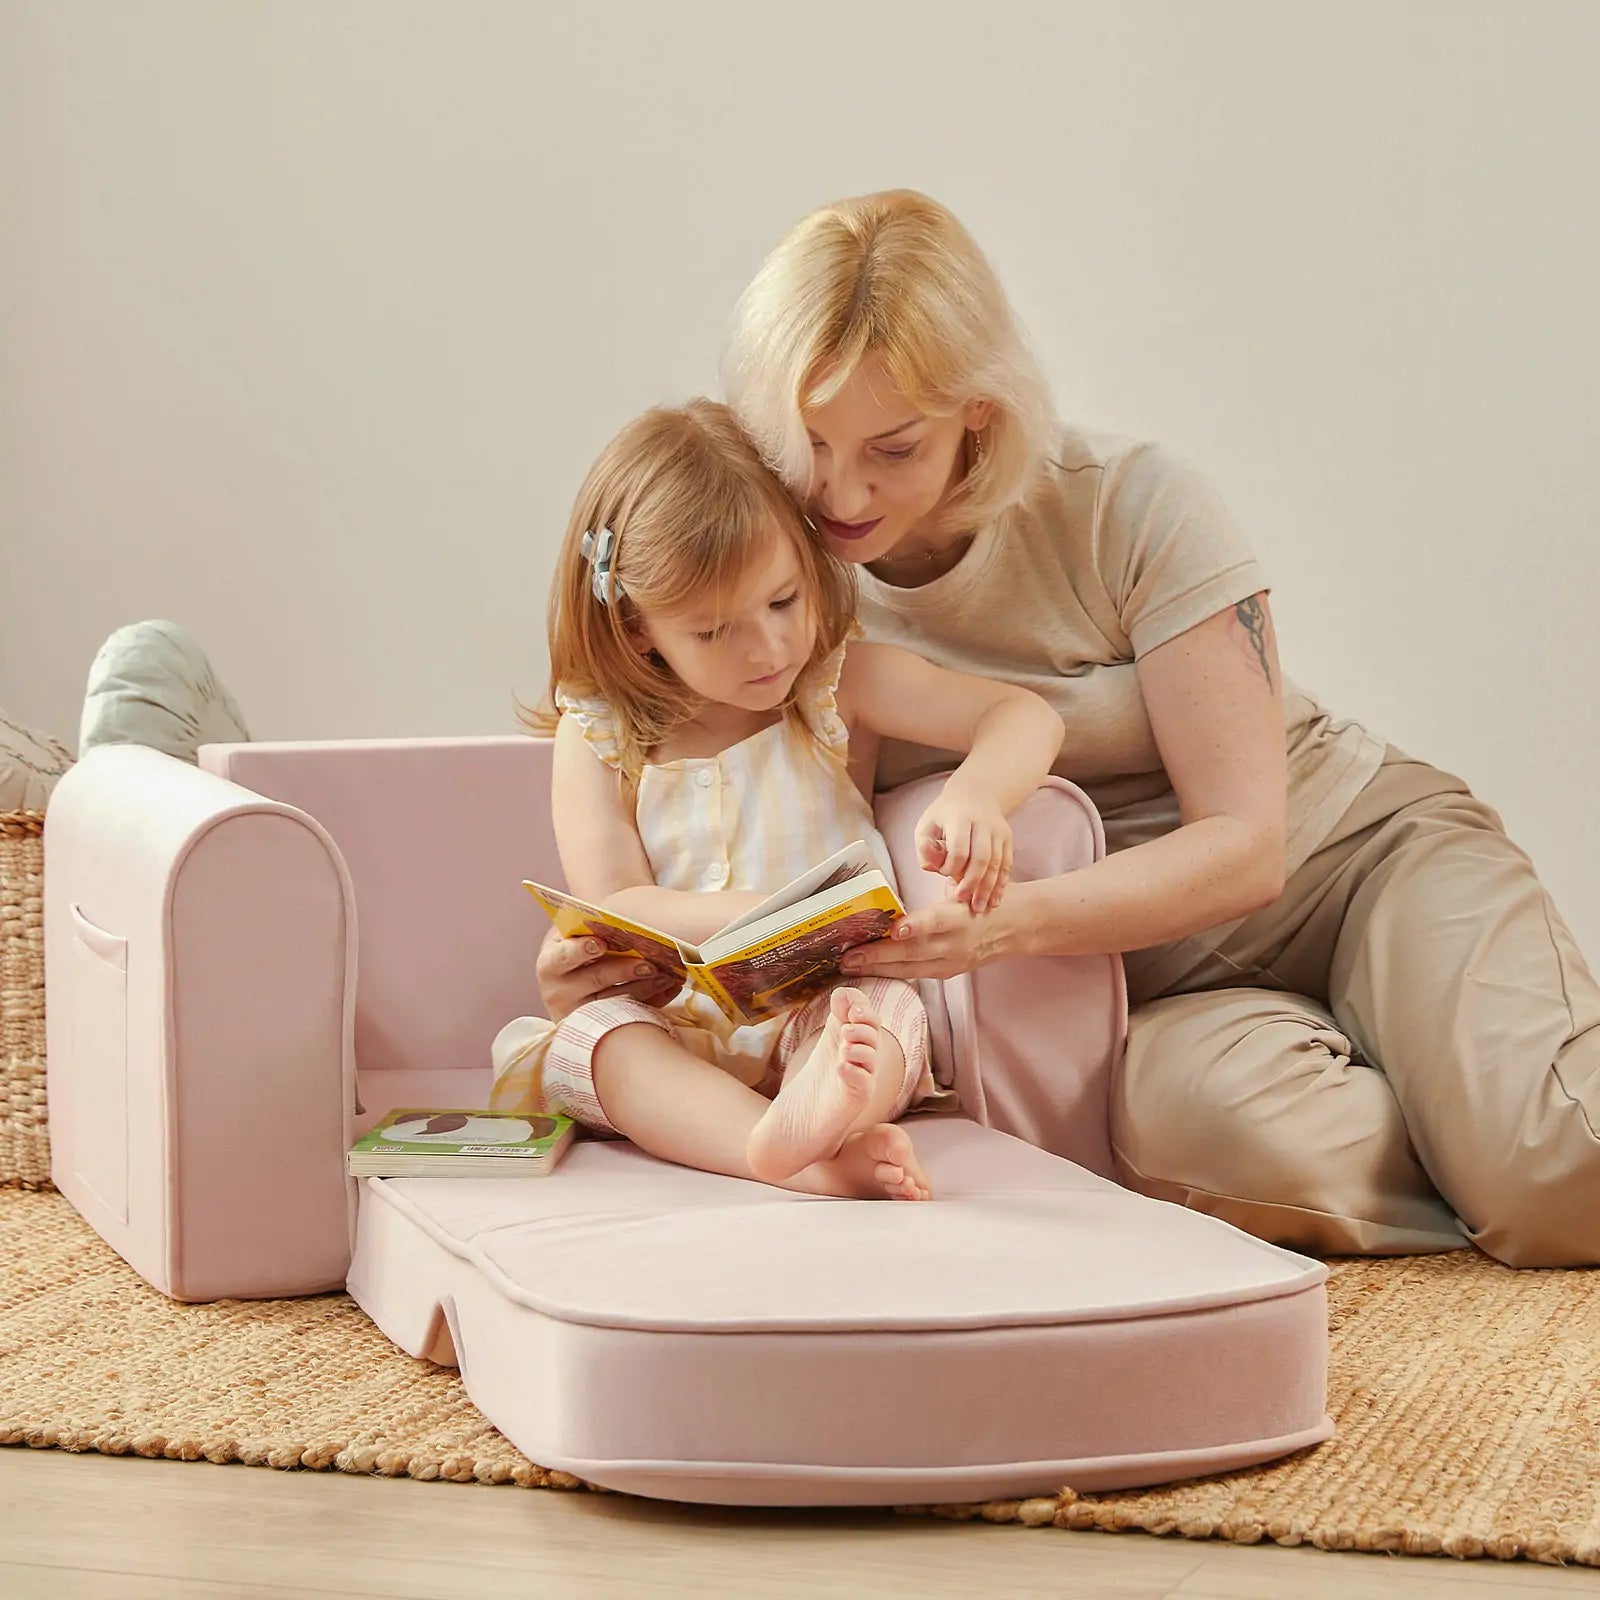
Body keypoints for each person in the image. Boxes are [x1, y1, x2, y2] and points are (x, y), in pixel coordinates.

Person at [537, 190, 1600, 1269]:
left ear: (977, 413)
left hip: (1353, 859)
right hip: (1151, 979)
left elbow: (1247, 844)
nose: (841, 490)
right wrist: (622, 955)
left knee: (1551, 1172)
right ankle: (1465, 1117)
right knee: (1189, 1145)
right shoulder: (782, 586)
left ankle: (1502, 1125)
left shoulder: (1132, 507)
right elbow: (668, 745)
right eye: (808, 442)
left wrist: (999, 927)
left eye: (894, 448)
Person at [491, 399, 1064, 1201]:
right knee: (594, 1041)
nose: (767, 649)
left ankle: (822, 1110)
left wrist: (977, 796)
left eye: (784, 601)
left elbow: (1022, 716)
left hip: (822, 1006)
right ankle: (784, 1153)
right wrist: (766, 912)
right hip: (680, 1027)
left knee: (881, 1014)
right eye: (714, 631)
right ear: (636, 630)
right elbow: (613, 897)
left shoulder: (835, 687)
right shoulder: (600, 732)